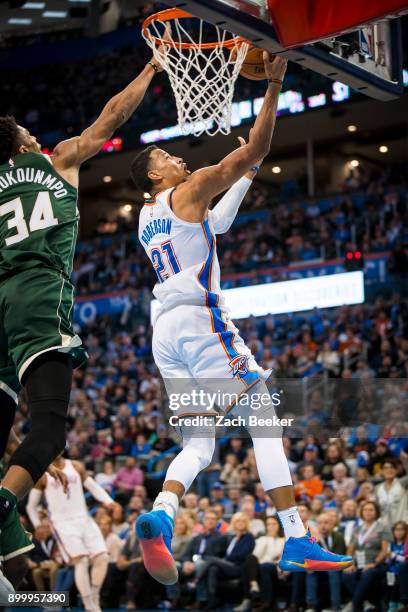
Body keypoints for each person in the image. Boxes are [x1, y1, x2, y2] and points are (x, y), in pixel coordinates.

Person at [131, 52, 352, 585]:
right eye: (167, 156)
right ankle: (297, 536)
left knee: (199, 445)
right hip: (200, 323)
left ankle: (161, 510)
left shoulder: (146, 217)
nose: (179, 160)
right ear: (156, 174)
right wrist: (274, 84)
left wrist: (247, 174)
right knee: (264, 420)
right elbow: (260, 145)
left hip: (164, 334)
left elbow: (220, 221)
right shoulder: (185, 190)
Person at [0, 43, 166, 546]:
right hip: (38, 294)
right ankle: (3, 505)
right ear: (24, 145)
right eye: (31, 133)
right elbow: (111, 116)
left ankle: (24, 577)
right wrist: (151, 68)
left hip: (2, 304)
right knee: (49, 433)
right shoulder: (58, 160)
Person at [27, 455, 119, 612]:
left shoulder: (76, 466)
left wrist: (108, 501)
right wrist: (38, 526)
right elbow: (31, 506)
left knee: (103, 557)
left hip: (84, 518)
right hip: (62, 523)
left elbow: (94, 487)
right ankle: (89, 605)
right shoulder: (43, 473)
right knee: (81, 561)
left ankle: (94, 597)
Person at [195, 512, 255, 610]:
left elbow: (243, 555)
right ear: (234, 523)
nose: (240, 523)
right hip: (227, 565)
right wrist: (223, 560)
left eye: (243, 521)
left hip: (238, 567)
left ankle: (197, 579)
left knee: (210, 559)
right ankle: (212, 599)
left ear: (246, 523)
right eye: (238, 521)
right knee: (213, 568)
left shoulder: (249, 537)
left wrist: (225, 559)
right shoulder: (231, 537)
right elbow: (222, 550)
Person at [342, 500, 391, 612]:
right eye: (365, 510)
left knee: (367, 573)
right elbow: (350, 549)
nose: (368, 512)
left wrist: (374, 563)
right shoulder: (358, 529)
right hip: (359, 563)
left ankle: (354, 604)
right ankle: (365, 603)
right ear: (362, 512)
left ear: (376, 512)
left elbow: (385, 550)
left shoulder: (383, 527)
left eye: (371, 510)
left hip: (378, 563)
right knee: (346, 575)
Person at [234, 515, 285, 612]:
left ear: (279, 526)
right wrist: (265, 541)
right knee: (250, 558)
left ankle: (251, 598)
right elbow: (255, 557)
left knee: (264, 566)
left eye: (274, 524)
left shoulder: (283, 541)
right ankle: (254, 586)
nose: (271, 527)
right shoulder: (261, 540)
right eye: (268, 524)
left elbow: (280, 558)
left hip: (274, 569)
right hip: (258, 568)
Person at [375, 459, 408, 528]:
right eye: (385, 468)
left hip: (403, 526)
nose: (389, 470)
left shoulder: (402, 483)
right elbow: (377, 509)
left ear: (396, 470)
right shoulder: (377, 488)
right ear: (381, 471)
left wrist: (405, 461)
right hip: (385, 528)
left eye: (392, 467)